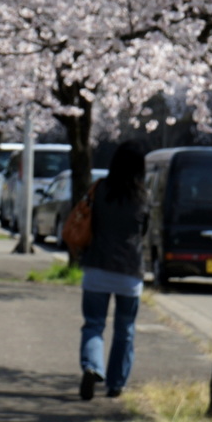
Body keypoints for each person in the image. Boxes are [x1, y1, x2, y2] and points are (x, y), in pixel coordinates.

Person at [78, 141, 148, 401]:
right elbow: (144, 231)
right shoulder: (143, 197)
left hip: (97, 267)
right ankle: (116, 383)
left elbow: (89, 221)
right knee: (125, 329)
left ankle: (92, 366)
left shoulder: (100, 190)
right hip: (129, 272)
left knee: (94, 325)